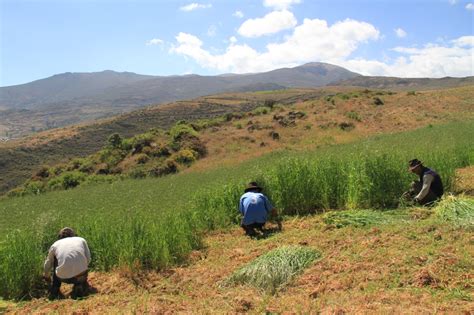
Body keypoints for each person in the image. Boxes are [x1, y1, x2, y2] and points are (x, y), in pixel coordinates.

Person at [43, 227, 91, 299]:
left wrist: (47, 276)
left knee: (55, 259)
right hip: (81, 276)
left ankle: (55, 288)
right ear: (73, 234)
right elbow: (88, 259)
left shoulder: (55, 245)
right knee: (80, 260)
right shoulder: (81, 240)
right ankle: (79, 284)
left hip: (63, 277)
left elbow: (48, 263)